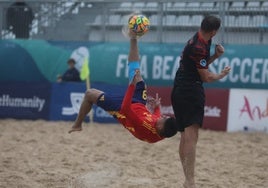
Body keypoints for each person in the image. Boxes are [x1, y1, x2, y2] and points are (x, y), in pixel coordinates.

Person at [69, 31, 177, 143]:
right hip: (139, 104)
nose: (162, 116)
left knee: (89, 94)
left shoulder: (143, 125)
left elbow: (125, 108)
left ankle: (77, 124)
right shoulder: (165, 130)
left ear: (160, 127)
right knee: (137, 74)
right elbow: (158, 119)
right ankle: (133, 38)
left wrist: (131, 86)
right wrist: (157, 108)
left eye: (163, 118)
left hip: (122, 110)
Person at [171, 15, 231, 188]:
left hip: (180, 89)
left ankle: (187, 179)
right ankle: (190, 181)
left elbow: (200, 66)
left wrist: (215, 56)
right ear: (214, 31)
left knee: (185, 137)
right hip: (190, 91)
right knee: (191, 137)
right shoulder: (199, 46)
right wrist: (221, 74)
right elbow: (205, 76)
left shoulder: (199, 39)